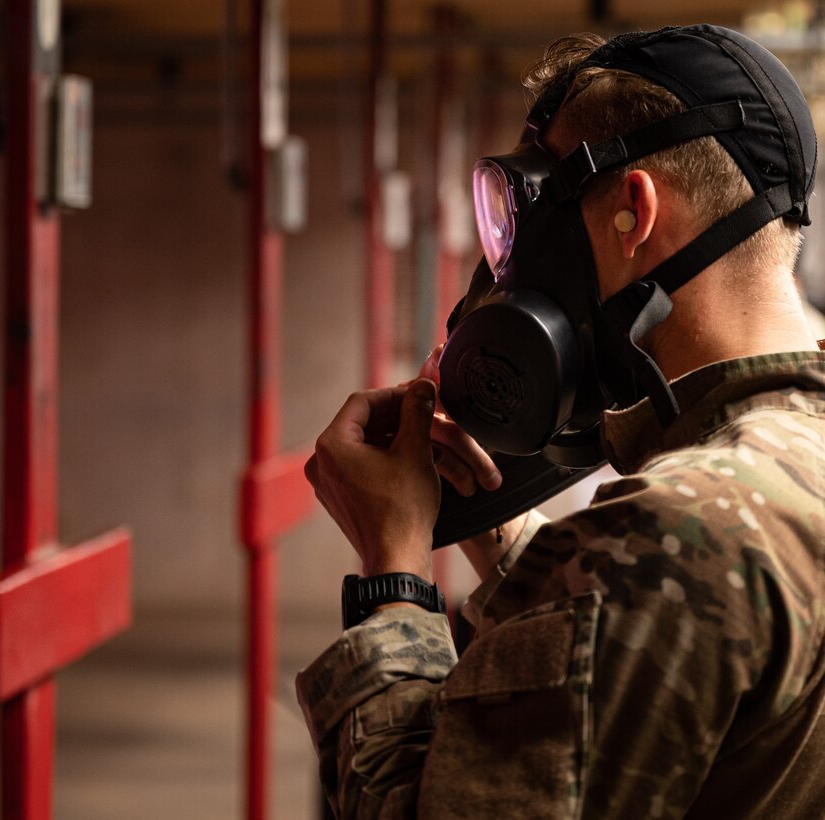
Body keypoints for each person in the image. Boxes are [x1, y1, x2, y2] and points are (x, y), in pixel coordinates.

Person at [297, 24, 825, 819]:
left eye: (538, 211)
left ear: (633, 212)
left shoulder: (670, 528)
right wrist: (492, 527)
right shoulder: (780, 468)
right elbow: (662, 654)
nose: (510, 264)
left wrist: (392, 577)